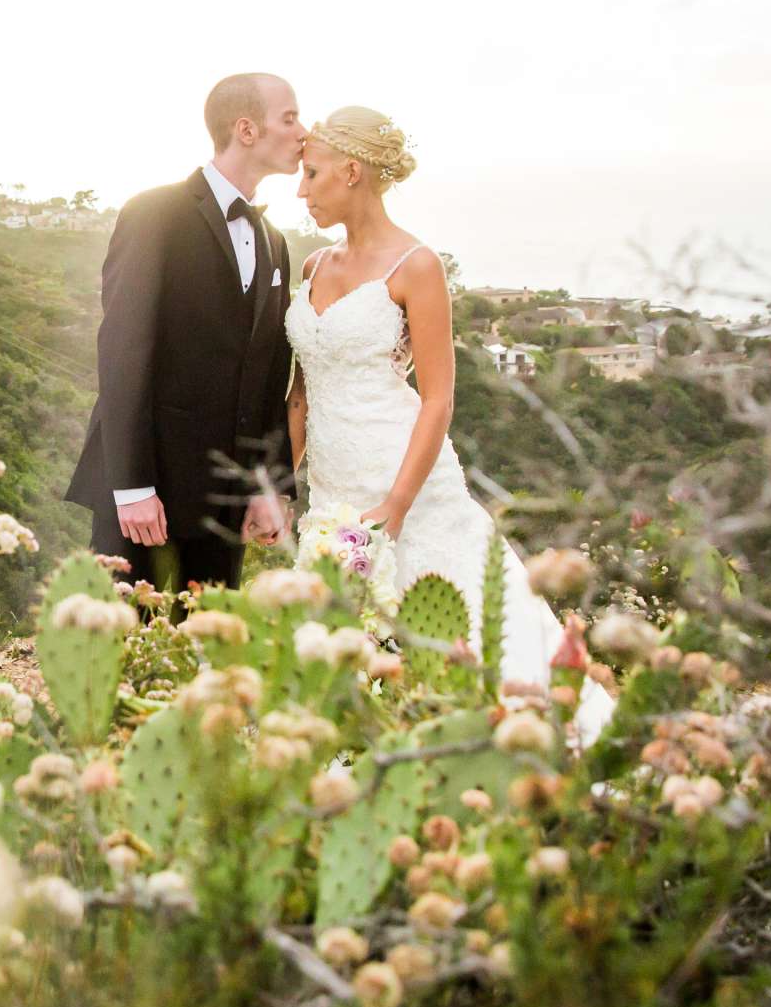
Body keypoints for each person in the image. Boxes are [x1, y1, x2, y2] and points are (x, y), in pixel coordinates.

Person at [287, 106, 614, 739]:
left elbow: (437, 398)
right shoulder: (313, 268)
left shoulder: (416, 265)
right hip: (332, 484)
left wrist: (399, 504)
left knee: (461, 615)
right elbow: (300, 396)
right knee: (342, 637)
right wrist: (278, 482)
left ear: (351, 172)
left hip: (405, 477)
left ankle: (534, 738)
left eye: (311, 174)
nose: (301, 190)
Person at [63, 73, 302, 589]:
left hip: (225, 502)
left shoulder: (274, 241)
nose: (303, 132)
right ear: (246, 129)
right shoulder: (155, 212)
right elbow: (124, 351)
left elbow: (268, 377)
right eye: (290, 118)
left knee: (208, 653)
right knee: (118, 649)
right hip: (149, 491)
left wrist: (267, 485)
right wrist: (131, 487)